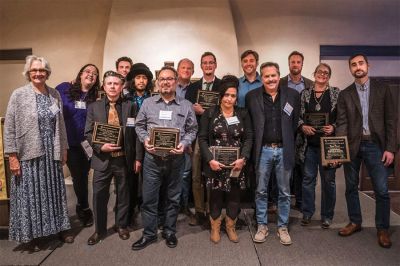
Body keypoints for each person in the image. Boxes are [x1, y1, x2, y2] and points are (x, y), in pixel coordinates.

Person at [4, 55, 72, 251]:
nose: (38, 73)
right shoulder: (19, 94)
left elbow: (61, 125)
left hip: (52, 153)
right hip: (28, 153)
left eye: (42, 70)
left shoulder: (54, 95)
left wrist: (64, 148)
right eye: (34, 70)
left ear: (47, 73)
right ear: (28, 73)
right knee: (30, 195)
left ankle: (57, 227)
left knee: (53, 192)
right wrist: (12, 156)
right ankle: (30, 234)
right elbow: (9, 127)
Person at [132, 66, 197, 250]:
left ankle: (169, 231)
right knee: (149, 199)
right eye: (162, 79)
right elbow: (139, 125)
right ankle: (149, 234)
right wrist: (145, 140)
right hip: (152, 160)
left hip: (176, 161)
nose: (166, 82)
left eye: (169, 79)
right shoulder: (148, 104)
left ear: (176, 82)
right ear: (157, 82)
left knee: (173, 198)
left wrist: (184, 143)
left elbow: (192, 129)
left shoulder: (186, 105)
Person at [336, 54, 396, 248]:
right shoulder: (345, 94)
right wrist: (339, 150)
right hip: (352, 146)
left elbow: (391, 121)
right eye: (353, 65)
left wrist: (390, 148)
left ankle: (382, 228)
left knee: (381, 190)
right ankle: (355, 222)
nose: (357, 67)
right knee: (351, 187)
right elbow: (342, 123)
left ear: (368, 65)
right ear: (350, 69)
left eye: (360, 63)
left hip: (375, 146)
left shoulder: (383, 89)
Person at [245, 62, 300, 245]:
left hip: (284, 149)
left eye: (273, 75)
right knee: (261, 190)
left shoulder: (292, 95)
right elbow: (250, 126)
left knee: (284, 192)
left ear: (279, 75)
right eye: (266, 76)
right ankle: (262, 225)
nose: (270, 79)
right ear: (262, 78)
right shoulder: (252, 96)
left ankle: (282, 226)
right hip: (263, 150)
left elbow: (293, 125)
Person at [85, 70, 142, 245]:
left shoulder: (131, 105)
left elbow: (138, 133)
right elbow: (88, 133)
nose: (112, 86)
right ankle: (99, 230)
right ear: (104, 85)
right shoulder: (93, 107)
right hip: (102, 159)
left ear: (122, 86)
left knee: (124, 195)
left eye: (116, 83)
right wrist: (100, 146)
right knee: (99, 196)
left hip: (124, 159)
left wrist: (138, 158)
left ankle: (121, 225)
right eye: (109, 83)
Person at [198, 75, 253, 243]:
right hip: (215, 164)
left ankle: (230, 225)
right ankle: (215, 226)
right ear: (221, 96)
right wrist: (210, 160)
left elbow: (249, 137)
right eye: (227, 95)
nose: (230, 98)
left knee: (234, 196)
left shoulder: (243, 113)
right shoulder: (210, 113)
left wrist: (243, 158)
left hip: (236, 164)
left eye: (233, 95)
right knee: (215, 196)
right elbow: (202, 139)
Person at [56, 64, 100, 227]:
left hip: (88, 144)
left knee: (85, 175)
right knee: (79, 176)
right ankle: (84, 207)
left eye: (95, 74)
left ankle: (83, 204)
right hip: (69, 143)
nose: (91, 75)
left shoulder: (95, 97)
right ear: (80, 74)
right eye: (87, 71)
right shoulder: (64, 88)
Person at [297, 63, 340, 228]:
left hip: (329, 146)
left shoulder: (336, 93)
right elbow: (298, 116)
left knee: (328, 181)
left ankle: (327, 215)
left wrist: (334, 127)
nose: (322, 74)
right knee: (308, 180)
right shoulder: (305, 93)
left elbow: (342, 117)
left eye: (326, 72)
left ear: (329, 76)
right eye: (320, 71)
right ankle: (307, 213)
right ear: (314, 73)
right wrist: (303, 126)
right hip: (310, 146)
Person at [185, 52, 221, 226]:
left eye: (211, 63)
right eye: (205, 63)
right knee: (196, 175)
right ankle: (199, 211)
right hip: (197, 136)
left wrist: (204, 112)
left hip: (216, 137)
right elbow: (187, 114)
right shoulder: (192, 88)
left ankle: (212, 209)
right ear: (201, 66)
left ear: (215, 65)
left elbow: (225, 112)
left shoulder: (222, 86)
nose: (208, 66)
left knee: (213, 175)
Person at [280, 51, 313, 211]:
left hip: (304, 130)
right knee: (283, 165)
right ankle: (282, 198)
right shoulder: (280, 83)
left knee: (301, 166)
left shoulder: (310, 84)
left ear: (302, 64)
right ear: (289, 64)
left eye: (298, 62)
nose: (295, 64)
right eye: (292, 62)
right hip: (284, 128)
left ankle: (300, 200)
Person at [124, 63, 153, 225]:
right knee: (131, 176)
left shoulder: (153, 98)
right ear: (133, 80)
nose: (141, 81)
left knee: (148, 176)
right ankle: (130, 208)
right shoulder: (126, 99)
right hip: (130, 141)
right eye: (138, 78)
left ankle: (145, 205)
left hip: (148, 140)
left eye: (144, 78)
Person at [175, 58, 195, 215]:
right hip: (168, 136)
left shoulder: (196, 89)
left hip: (187, 136)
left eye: (189, 68)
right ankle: (171, 205)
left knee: (186, 173)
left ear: (193, 72)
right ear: (177, 70)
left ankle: (184, 204)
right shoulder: (169, 86)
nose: (186, 70)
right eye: (183, 67)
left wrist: (188, 140)